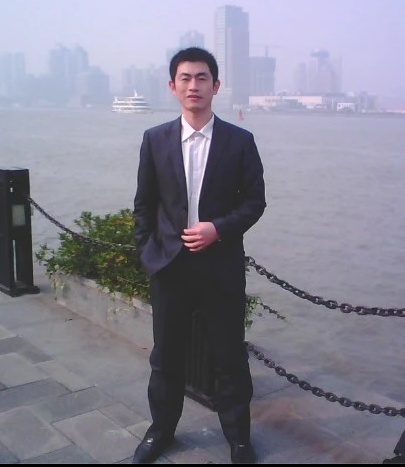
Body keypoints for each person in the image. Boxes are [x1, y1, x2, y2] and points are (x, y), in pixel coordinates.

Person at [132, 47, 266, 464]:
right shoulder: (155, 140)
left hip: (220, 266)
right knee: (166, 357)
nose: (194, 85)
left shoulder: (239, 141)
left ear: (216, 86)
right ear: (173, 86)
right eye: (185, 78)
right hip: (170, 267)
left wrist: (217, 228)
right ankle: (161, 431)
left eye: (202, 77)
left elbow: (255, 202)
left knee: (229, 357)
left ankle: (239, 438)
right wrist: (148, 253)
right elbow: (144, 205)